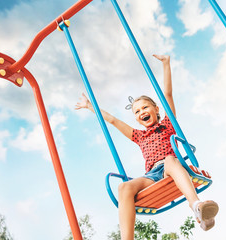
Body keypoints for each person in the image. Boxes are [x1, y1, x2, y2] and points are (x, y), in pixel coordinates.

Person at [75, 54, 218, 240]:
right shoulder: (138, 135)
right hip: (151, 176)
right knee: (124, 187)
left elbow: (167, 95)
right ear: (136, 118)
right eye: (137, 111)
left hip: (171, 168)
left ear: (156, 109)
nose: (141, 112)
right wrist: (89, 106)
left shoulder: (168, 124)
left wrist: (166, 64)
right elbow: (112, 120)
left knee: (169, 159)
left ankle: (196, 206)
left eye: (145, 107)